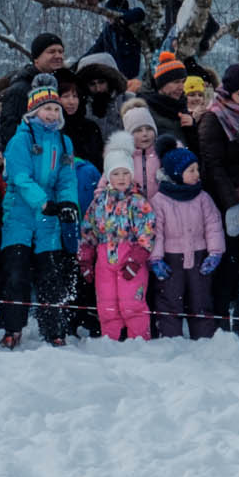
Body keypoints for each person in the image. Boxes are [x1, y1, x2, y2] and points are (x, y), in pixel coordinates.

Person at [0, 80, 82, 348]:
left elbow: (67, 178)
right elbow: (20, 178)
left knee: (51, 275)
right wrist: (42, 202)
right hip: (20, 214)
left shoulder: (64, 142)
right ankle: (12, 328)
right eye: (47, 109)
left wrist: (68, 203)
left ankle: (54, 329)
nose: (53, 114)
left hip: (49, 218)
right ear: (34, 112)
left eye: (56, 110)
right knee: (16, 275)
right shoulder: (20, 140)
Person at [195, 64, 239, 333]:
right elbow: (213, 165)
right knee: (227, 261)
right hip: (223, 201)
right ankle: (220, 317)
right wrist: (231, 201)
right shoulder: (214, 118)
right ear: (229, 93)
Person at [80, 143, 157, 341]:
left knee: (132, 303)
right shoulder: (99, 202)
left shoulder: (138, 202)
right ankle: (110, 341)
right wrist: (86, 260)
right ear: (108, 176)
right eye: (116, 173)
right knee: (107, 305)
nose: (121, 178)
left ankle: (139, 341)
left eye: (125, 173)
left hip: (130, 259)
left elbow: (147, 233)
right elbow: (88, 230)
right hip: (104, 260)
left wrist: (136, 259)